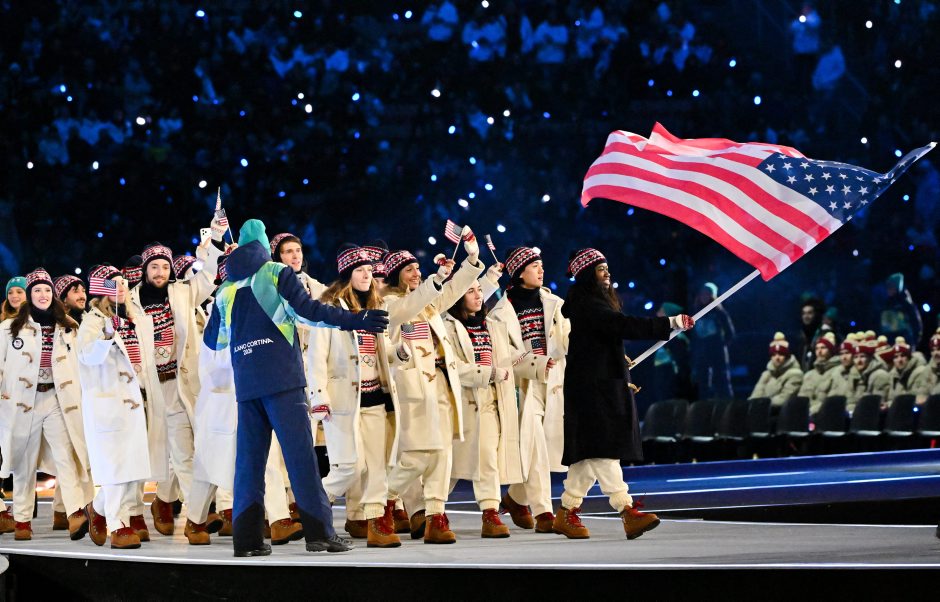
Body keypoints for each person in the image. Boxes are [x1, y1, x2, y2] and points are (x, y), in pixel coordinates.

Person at [203, 219, 389, 557]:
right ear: (264, 246)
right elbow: (309, 312)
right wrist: (355, 319)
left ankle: (246, 542)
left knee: (248, 467)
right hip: (284, 382)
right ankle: (320, 534)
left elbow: (214, 340)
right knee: (301, 459)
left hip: (247, 387)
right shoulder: (276, 273)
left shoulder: (226, 289)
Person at [555, 248, 694, 540]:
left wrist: (618, 360)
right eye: (600, 269)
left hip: (597, 387)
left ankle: (566, 512)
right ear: (587, 274)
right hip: (591, 390)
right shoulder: (586, 302)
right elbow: (622, 325)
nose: (607, 273)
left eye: (607, 267)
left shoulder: (589, 301)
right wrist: (669, 323)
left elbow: (603, 340)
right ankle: (626, 509)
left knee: (589, 454)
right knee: (603, 449)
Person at [381, 230, 485, 544]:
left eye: (418, 268)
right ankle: (384, 501)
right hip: (411, 390)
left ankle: (436, 517)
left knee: (442, 454)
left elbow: (453, 290)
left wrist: (471, 261)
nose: (416, 273)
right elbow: (410, 307)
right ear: (396, 275)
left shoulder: (427, 302)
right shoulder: (389, 303)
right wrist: (436, 279)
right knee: (417, 456)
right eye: (409, 269)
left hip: (441, 385)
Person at [308, 244, 404, 548]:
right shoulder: (330, 309)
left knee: (377, 466)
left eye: (369, 270)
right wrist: (318, 397)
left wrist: (399, 352)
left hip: (375, 398)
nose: (367, 275)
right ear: (347, 275)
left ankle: (377, 524)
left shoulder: (376, 306)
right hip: (341, 401)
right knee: (350, 466)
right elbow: (316, 357)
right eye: (360, 270)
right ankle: (312, 507)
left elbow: (380, 351)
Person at [127, 234, 223, 535]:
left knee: (184, 454)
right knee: (141, 457)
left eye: (165, 267)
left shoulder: (182, 292)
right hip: (144, 392)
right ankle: (128, 513)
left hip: (177, 386)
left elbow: (208, 277)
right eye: (154, 267)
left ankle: (196, 518)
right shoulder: (129, 300)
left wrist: (215, 240)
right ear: (145, 269)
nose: (160, 272)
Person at [0, 268, 92, 541]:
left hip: (56, 398)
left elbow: (81, 364)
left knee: (65, 453)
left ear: (53, 295)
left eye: (47, 290)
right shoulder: (8, 328)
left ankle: (75, 513)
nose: (43, 295)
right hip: (22, 402)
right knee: (24, 461)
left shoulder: (68, 327)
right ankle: (22, 520)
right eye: (37, 290)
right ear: (30, 295)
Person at [488, 247, 567, 534]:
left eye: (541, 265)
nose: (541, 270)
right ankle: (544, 511)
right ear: (520, 272)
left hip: (554, 382)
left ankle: (516, 498)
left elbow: (570, 339)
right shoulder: (500, 312)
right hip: (523, 386)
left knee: (543, 447)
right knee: (536, 447)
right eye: (535, 266)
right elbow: (502, 353)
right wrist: (535, 363)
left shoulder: (555, 303)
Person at [77, 265, 153, 549]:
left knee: (132, 466)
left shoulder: (133, 317)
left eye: (123, 283)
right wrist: (106, 337)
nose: (121, 288)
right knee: (115, 466)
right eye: (114, 284)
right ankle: (117, 525)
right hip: (107, 402)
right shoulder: (93, 321)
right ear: (101, 290)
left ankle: (96, 508)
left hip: (134, 400)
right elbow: (86, 356)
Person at [444, 278, 523, 538]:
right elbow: (451, 366)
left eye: (480, 290)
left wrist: (536, 362)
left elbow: (508, 356)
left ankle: (490, 512)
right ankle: (427, 510)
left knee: (487, 458)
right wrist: (487, 373)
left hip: (489, 401)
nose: (478, 296)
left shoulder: (493, 326)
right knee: (447, 465)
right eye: (471, 291)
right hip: (458, 404)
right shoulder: (447, 327)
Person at [691, 282, 734, 399]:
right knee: (702, 381)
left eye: (707, 293)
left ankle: (726, 403)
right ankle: (704, 405)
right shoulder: (695, 313)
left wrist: (721, 345)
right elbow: (693, 334)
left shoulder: (719, 312)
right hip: (701, 352)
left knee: (721, 378)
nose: (704, 296)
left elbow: (729, 332)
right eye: (702, 293)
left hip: (717, 350)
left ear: (712, 296)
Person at [749, 333, 804, 409]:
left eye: (781, 354)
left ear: (787, 356)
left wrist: (761, 405)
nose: (777, 357)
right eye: (774, 355)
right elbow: (755, 395)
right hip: (763, 411)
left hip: (781, 413)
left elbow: (784, 399)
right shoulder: (766, 374)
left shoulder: (795, 374)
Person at [798, 332, 840, 415]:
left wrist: (811, 411)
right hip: (806, 415)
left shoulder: (838, 371)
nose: (819, 351)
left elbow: (832, 399)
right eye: (817, 349)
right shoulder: (809, 375)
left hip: (826, 415)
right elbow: (801, 398)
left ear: (831, 350)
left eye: (823, 348)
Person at [880, 273, 923, 348]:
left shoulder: (905, 303)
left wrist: (915, 338)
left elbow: (915, 321)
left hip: (906, 339)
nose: (888, 289)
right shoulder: (887, 304)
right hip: (890, 340)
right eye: (888, 287)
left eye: (891, 286)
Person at [849, 337, 891, 409]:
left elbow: (878, 403)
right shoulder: (857, 375)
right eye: (855, 357)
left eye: (862, 356)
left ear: (869, 358)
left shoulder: (880, 375)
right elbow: (851, 400)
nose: (859, 360)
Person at [798, 296, 826, 371]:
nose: (806, 316)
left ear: (816, 315)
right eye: (803, 313)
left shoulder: (825, 335)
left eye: (810, 313)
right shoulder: (802, 337)